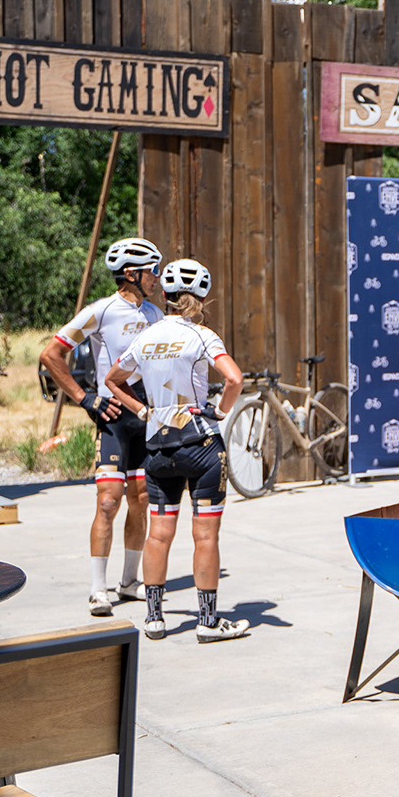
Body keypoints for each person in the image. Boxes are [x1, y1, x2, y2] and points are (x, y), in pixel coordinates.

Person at [106, 258, 248, 644]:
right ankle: (208, 622)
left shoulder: (146, 338)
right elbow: (234, 379)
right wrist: (220, 411)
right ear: (201, 297)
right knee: (205, 536)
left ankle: (154, 619)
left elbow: (113, 379)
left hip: (158, 447)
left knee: (158, 534)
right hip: (201, 445)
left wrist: (141, 410)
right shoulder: (202, 336)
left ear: (166, 294)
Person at [39, 237, 165, 618]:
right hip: (112, 416)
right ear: (131, 274)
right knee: (108, 501)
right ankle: (98, 589)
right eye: (152, 271)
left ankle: (128, 581)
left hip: (143, 416)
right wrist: (84, 398)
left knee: (141, 499)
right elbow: (51, 354)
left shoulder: (156, 315)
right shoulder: (101, 311)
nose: (157, 278)